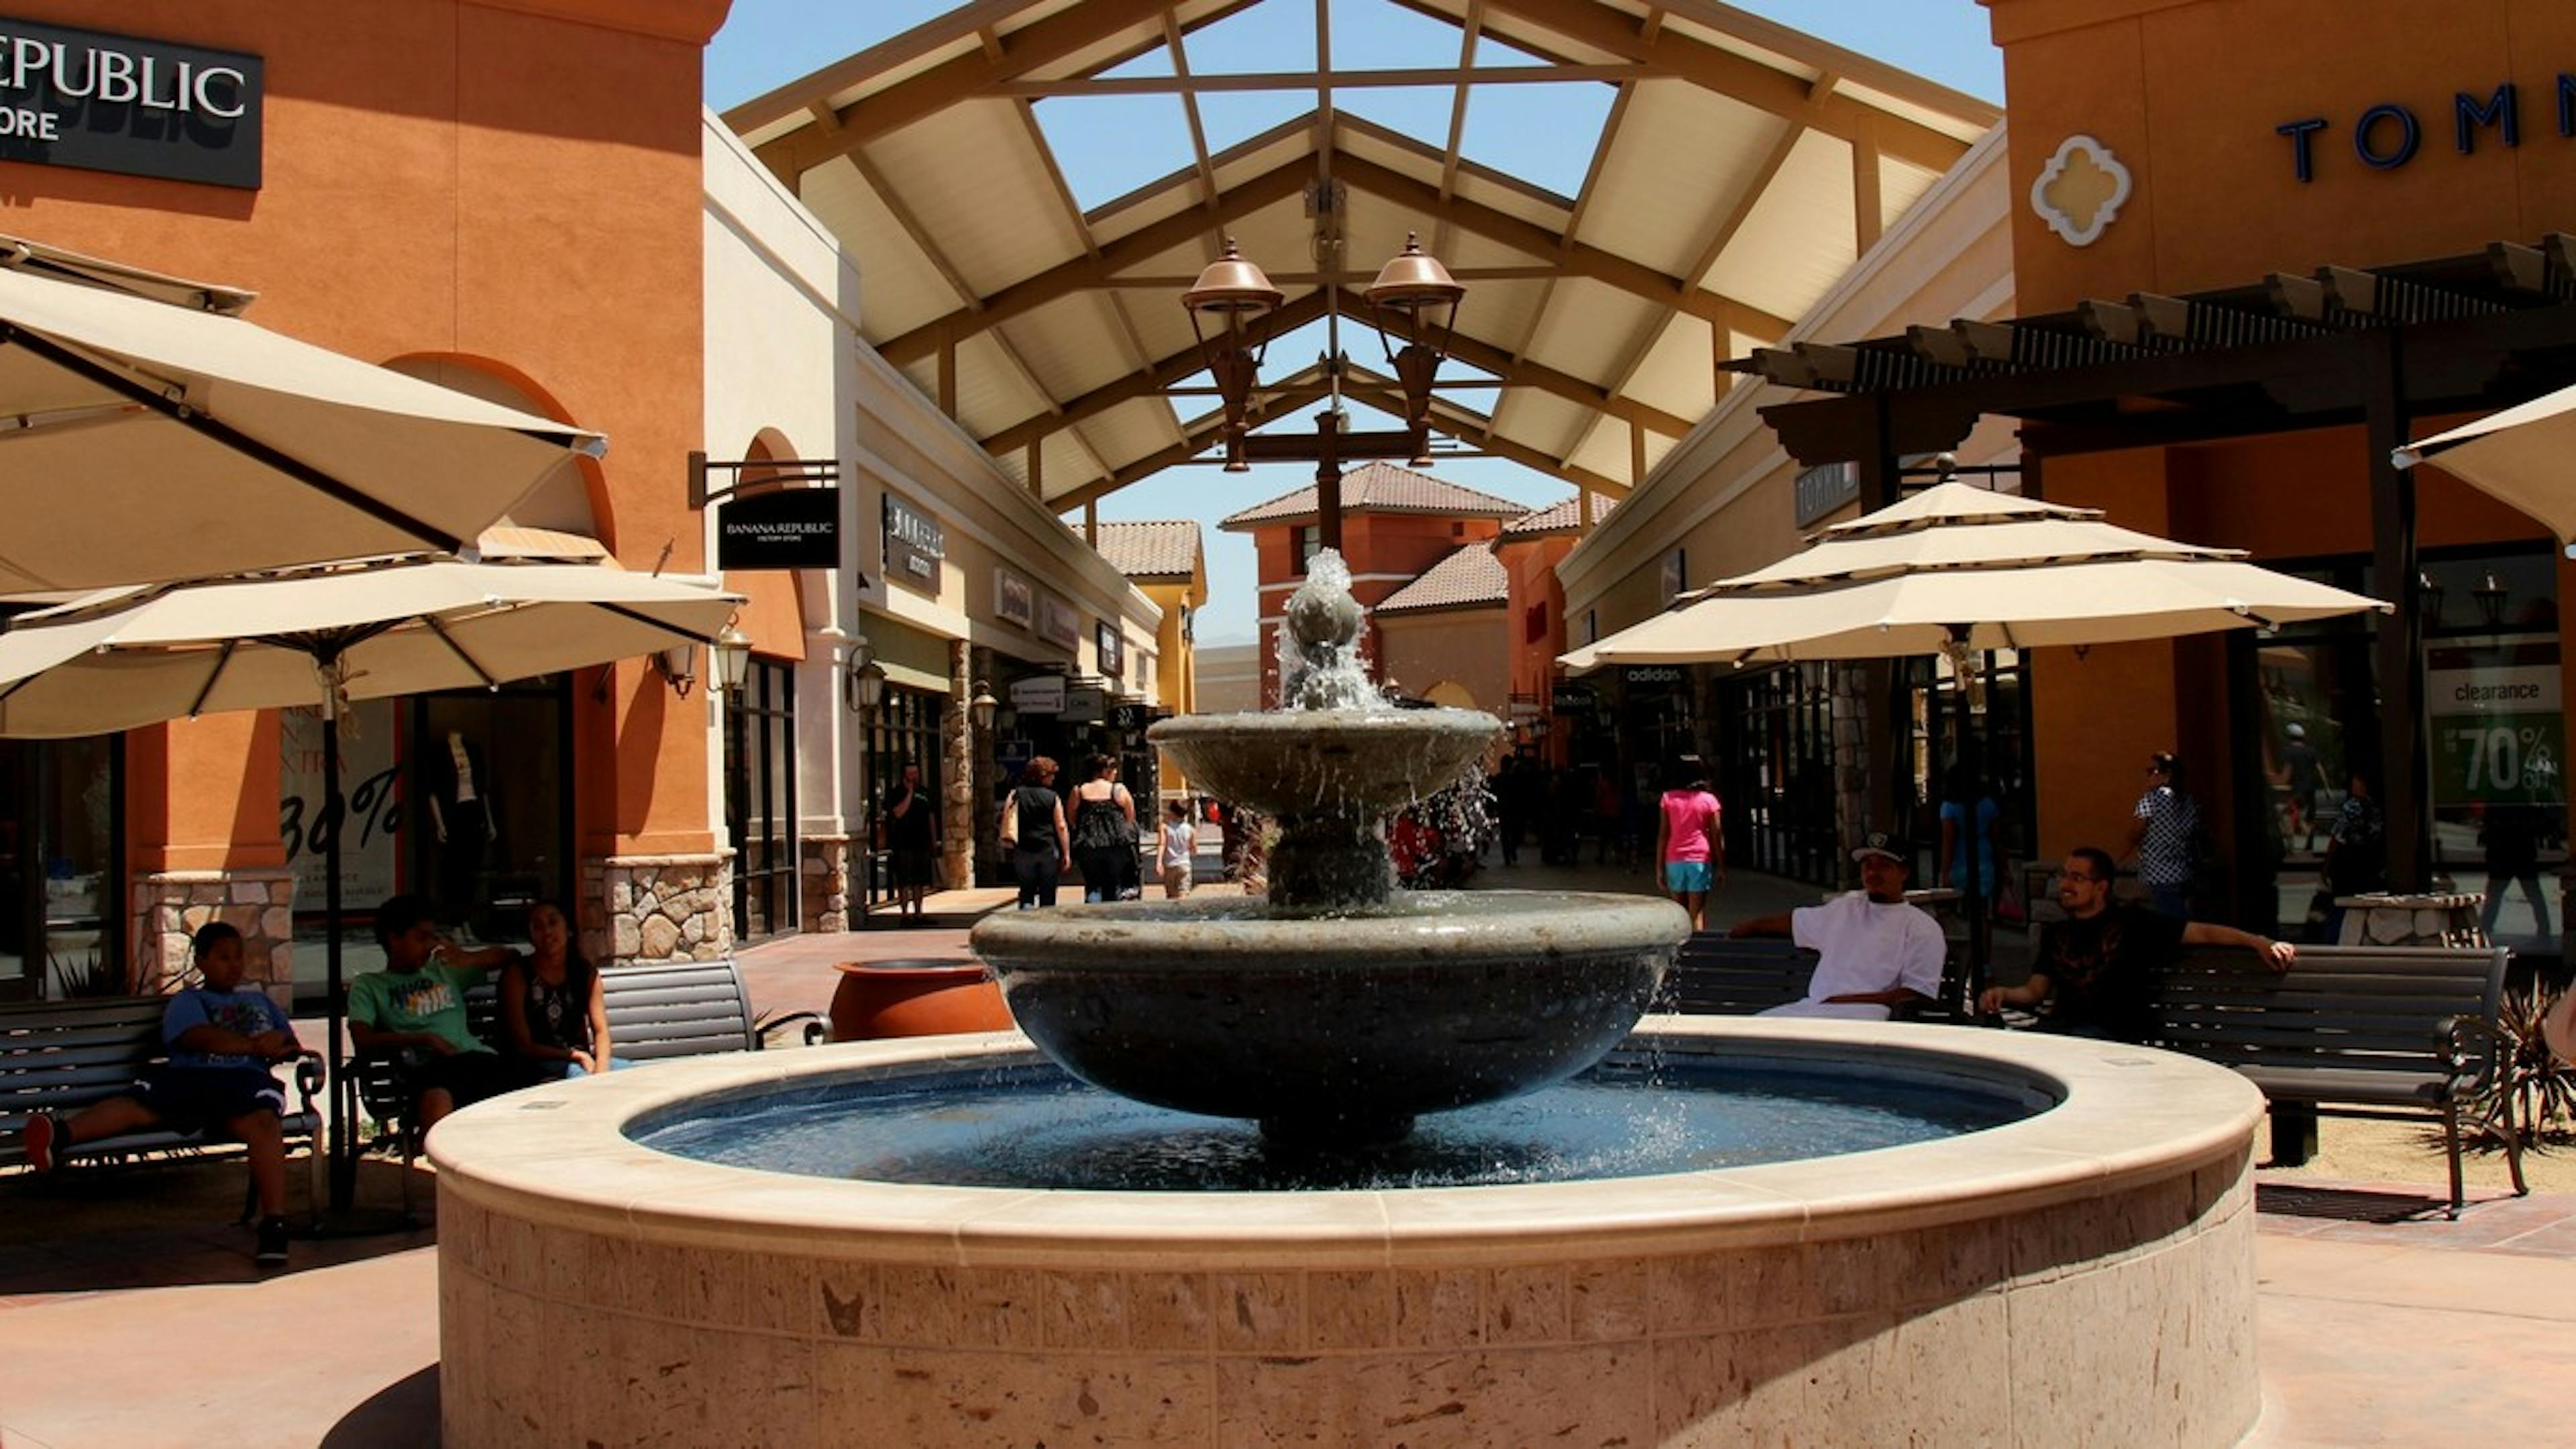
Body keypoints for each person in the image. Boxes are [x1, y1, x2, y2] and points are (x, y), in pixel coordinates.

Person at [19, 922, 303, 1265]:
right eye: (223, 957)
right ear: (200, 962)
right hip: (191, 1077)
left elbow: (289, 1045)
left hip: (244, 1081)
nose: (234, 965)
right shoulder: (189, 1000)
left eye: (239, 957)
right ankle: (59, 1133)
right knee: (139, 1105)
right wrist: (255, 1044)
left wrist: (282, 1048)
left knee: (265, 1124)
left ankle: (274, 1223)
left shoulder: (259, 1001)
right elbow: (196, 1037)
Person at [1978, 847, 2294, 1040]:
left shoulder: (2135, 924)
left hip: (2113, 1035)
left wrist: (2258, 942)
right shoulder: (2057, 933)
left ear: (2101, 887)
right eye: (2065, 876)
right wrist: (2003, 993)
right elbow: (2035, 992)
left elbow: (2204, 933)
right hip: (2062, 1031)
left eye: (2077, 878)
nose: (2065, 885)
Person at [346, 893, 519, 1130]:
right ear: (394, 939)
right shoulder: (370, 985)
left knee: (518, 1089)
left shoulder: (443, 971)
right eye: (421, 938)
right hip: (425, 1068)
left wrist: (467, 958)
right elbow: (362, 1038)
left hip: (475, 1060)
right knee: (437, 1097)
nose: (429, 946)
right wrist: (423, 1038)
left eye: (432, 937)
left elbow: (510, 956)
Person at [1729, 833, 1945, 1020]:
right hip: (1814, 1010)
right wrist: (1754, 925)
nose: (1873, 873)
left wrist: (1846, 1001)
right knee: (1751, 1032)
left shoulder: (1922, 927)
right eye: (1867, 865)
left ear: (1904, 873)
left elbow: (1917, 995)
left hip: (1871, 1016)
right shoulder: (1845, 908)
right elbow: (1795, 922)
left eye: (1884, 866)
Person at [498, 901, 612, 1083]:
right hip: (536, 1065)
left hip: (584, 1061)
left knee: (639, 1078)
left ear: (568, 929)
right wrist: (575, 1056)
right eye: (538, 926)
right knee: (580, 1078)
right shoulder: (518, 974)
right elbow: (523, 1045)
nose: (547, 932)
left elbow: (601, 1031)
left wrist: (602, 1070)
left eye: (553, 923)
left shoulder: (584, 972)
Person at [2125, 751, 2200, 918]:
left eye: (2152, 771)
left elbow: (2136, 832)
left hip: (2159, 873)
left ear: (2167, 775)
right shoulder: (2187, 800)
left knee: (2175, 921)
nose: (2148, 776)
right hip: (2184, 870)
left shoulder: (2151, 800)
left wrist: (2120, 855)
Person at [1654, 759, 1725, 931]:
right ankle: (1698, 950)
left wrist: (1659, 868)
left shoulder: (1668, 799)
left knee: (1678, 913)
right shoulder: (1709, 801)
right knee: (1696, 913)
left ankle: (1679, 952)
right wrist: (1721, 866)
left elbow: (1663, 835)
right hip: (1700, 859)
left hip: (1674, 859)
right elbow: (1717, 836)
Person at [2318, 768, 2386, 941]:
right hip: (2372, 868)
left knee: (2340, 908)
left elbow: (2338, 838)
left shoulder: (2353, 807)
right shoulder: (2382, 808)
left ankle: (2334, 938)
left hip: (2350, 869)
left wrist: (2326, 868)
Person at [1002, 757, 1071, 910]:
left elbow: (1007, 818)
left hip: (1023, 849)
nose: (1053, 778)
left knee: (1027, 891)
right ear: (1043, 775)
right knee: (1048, 894)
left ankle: (1027, 925)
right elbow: (1061, 826)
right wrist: (1066, 853)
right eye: (1051, 775)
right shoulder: (1052, 797)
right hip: (1047, 849)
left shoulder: (1015, 794)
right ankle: (1044, 927)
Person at [1068, 753, 1138, 903]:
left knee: (1093, 885)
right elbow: (1130, 817)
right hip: (1116, 845)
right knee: (1113, 884)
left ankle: (1093, 916)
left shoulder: (1079, 791)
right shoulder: (1118, 790)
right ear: (1105, 771)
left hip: (1089, 844)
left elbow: (1072, 818)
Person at [2478, 800, 2551, 943]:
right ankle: (2544, 929)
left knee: (2495, 896)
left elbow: (2489, 825)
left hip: (2503, 853)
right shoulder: (2523, 804)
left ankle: (2485, 929)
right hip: (2521, 853)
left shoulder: (2498, 804)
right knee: (2533, 895)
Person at [879, 759, 938, 920]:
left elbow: (930, 817)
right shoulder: (896, 794)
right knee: (905, 880)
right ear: (904, 776)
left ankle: (919, 912)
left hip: (922, 842)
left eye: (916, 773)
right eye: (910, 774)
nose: (914, 777)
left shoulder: (925, 793)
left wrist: (934, 841)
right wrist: (909, 794)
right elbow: (898, 813)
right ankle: (905, 914)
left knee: (919, 880)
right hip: (903, 843)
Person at [1937, 767, 2004, 903]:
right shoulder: (1988, 804)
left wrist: (1945, 872)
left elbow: (1948, 841)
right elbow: (1998, 840)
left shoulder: (1949, 807)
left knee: (1959, 907)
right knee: (1983, 906)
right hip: (1985, 861)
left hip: (1959, 863)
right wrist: (2005, 868)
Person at [2277, 722, 2326, 851]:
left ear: (2289, 736)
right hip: (2311, 789)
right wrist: (2327, 788)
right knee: (2310, 816)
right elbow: (2320, 769)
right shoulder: (2311, 751)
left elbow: (2287, 770)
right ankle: (2309, 842)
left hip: (2296, 789)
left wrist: (2281, 785)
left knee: (2288, 814)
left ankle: (2291, 845)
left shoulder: (2288, 751)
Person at [1157, 799, 1197, 899]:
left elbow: (1162, 845)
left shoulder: (1165, 828)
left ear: (1172, 812)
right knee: (1183, 895)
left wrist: (1159, 863)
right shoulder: (1191, 830)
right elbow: (1194, 850)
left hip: (1170, 865)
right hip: (1184, 864)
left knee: (1171, 896)